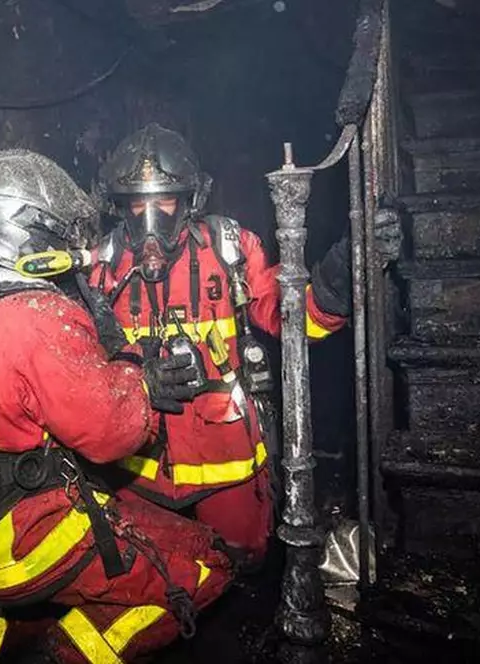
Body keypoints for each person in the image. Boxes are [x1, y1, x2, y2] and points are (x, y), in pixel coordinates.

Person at [0, 148, 234, 663]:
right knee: (205, 565)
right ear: (33, 229)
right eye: (60, 232)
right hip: (29, 542)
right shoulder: (35, 311)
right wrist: (140, 379)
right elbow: (112, 433)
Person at [87, 123, 362, 568]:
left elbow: (290, 317)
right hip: (139, 477)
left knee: (244, 566)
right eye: (137, 203)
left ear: (191, 201)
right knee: (155, 576)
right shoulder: (100, 268)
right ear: (119, 206)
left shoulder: (230, 251)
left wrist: (336, 284)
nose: (151, 221)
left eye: (166, 201)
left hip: (228, 466)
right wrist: (133, 379)